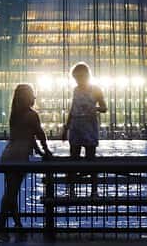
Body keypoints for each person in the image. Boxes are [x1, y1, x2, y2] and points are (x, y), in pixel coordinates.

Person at [0, 83, 52, 232]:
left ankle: (16, 223)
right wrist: (45, 151)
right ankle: (1, 223)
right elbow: (39, 134)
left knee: (11, 191)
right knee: (12, 193)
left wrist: (39, 151)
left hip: (8, 154)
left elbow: (29, 136)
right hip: (20, 157)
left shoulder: (15, 115)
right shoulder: (32, 115)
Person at [61, 62, 107, 195]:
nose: (78, 80)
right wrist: (66, 128)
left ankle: (93, 190)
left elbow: (104, 107)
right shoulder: (76, 90)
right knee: (73, 158)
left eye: (79, 77)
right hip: (76, 127)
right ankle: (72, 189)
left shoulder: (96, 89)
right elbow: (72, 109)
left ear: (86, 75)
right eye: (76, 78)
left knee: (90, 159)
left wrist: (95, 108)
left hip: (89, 127)